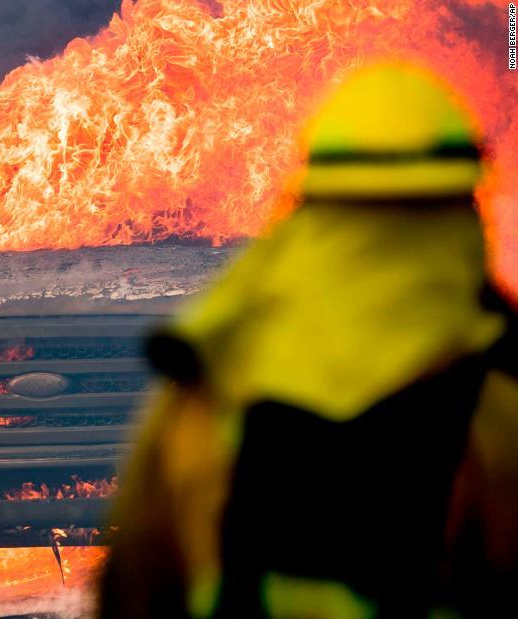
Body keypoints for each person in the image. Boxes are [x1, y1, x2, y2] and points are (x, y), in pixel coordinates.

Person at [100, 62, 518, 617]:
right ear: (464, 214)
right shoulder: (501, 411)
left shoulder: (203, 394)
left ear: (307, 211)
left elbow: (134, 592)